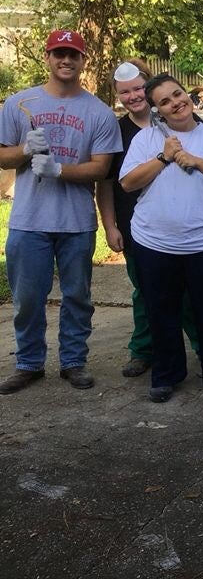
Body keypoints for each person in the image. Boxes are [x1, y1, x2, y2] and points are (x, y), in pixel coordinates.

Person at [0, 30, 122, 395]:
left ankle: (73, 361)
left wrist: (58, 170)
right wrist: (24, 150)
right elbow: (3, 156)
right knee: (27, 299)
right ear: (47, 57)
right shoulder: (19, 103)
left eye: (73, 54)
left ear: (83, 60)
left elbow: (101, 168)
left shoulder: (99, 112)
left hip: (76, 222)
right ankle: (29, 363)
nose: (65, 60)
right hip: (28, 220)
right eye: (58, 53)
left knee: (77, 297)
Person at [118, 73, 203, 402]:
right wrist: (163, 157)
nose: (175, 103)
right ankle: (167, 375)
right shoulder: (146, 140)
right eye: (165, 101)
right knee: (162, 313)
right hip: (154, 243)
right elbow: (128, 182)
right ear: (157, 110)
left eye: (177, 94)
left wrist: (198, 161)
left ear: (186, 94)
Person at [97, 60, 201, 377]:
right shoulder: (117, 132)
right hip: (136, 229)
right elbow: (107, 184)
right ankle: (144, 350)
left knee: (189, 292)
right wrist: (110, 226)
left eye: (139, 88)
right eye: (124, 92)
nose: (133, 96)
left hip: (182, 226)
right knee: (145, 291)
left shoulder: (182, 121)